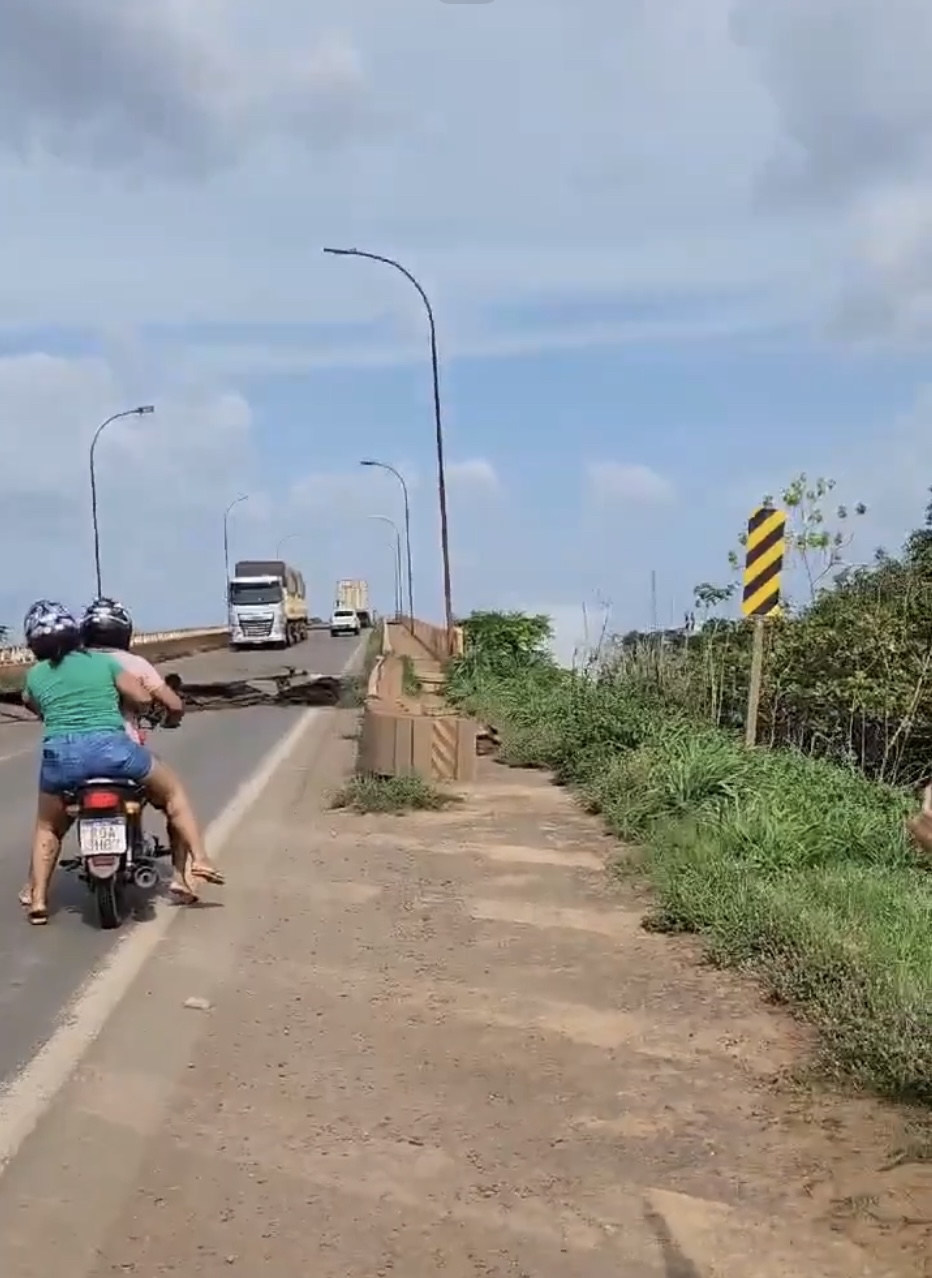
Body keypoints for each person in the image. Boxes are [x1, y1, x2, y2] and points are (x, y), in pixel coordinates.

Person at [20, 600, 213, 925]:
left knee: (48, 825)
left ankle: (38, 897)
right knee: (173, 794)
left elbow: (31, 704)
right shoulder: (103, 663)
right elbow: (143, 697)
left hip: (62, 760)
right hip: (114, 752)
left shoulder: (36, 675)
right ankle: (200, 860)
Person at [80, 597, 225, 897]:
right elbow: (173, 704)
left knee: (49, 824)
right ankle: (182, 874)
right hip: (123, 754)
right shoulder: (134, 664)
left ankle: (35, 890)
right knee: (174, 799)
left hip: (77, 757)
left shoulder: (72, 665)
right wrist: (171, 717)